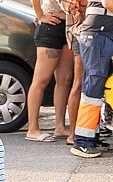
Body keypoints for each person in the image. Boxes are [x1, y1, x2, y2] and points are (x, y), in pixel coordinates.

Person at [25, 0, 73, 143]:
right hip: (50, 27)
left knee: (65, 79)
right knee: (41, 80)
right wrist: (40, 15)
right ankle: (32, 129)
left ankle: (60, 127)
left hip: (69, 26)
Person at [72, 0, 113, 157]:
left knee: (97, 89)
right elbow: (109, 4)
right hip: (98, 35)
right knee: (93, 91)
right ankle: (82, 141)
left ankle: (91, 137)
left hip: (101, 34)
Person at [58, 0, 88, 146]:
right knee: (79, 82)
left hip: (100, 31)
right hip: (81, 32)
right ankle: (73, 133)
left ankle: (89, 131)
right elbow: (69, 6)